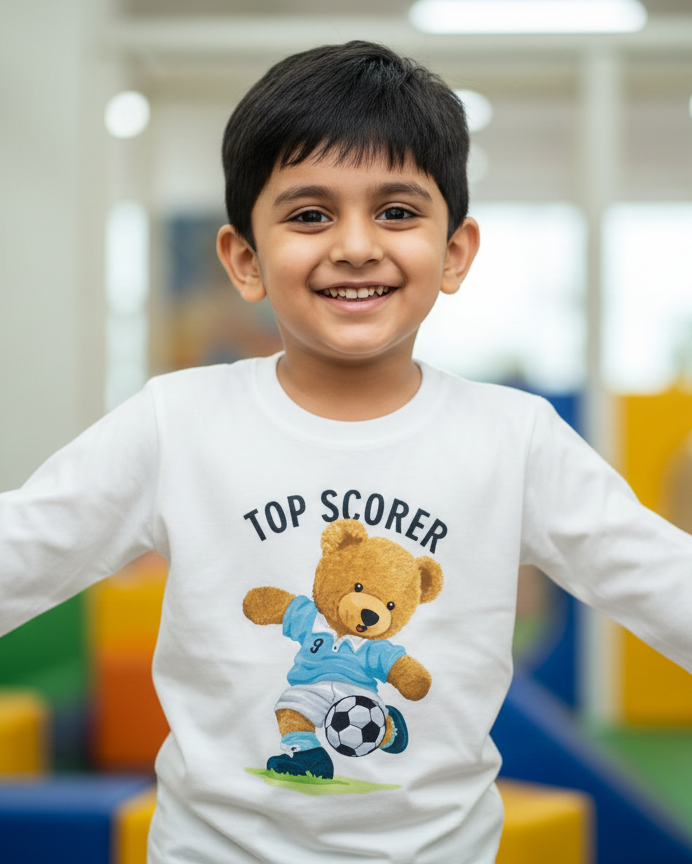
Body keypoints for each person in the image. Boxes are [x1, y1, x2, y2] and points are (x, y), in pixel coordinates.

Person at [1, 40, 691, 864]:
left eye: (396, 212)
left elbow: (664, 583)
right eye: (309, 215)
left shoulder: (516, 438)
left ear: (455, 252)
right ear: (246, 260)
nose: (357, 245)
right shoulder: (175, 422)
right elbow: (22, 549)